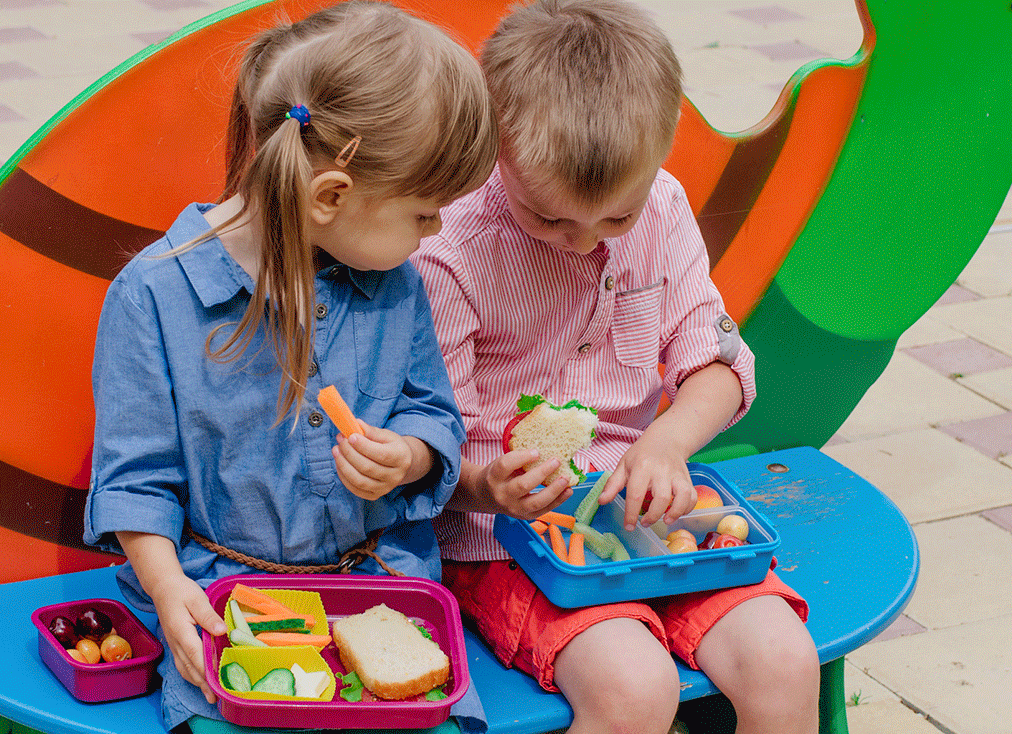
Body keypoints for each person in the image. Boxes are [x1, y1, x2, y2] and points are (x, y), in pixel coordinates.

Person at [83, 2, 499, 731]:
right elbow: (135, 481)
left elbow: (432, 412)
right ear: (332, 197)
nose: (438, 232)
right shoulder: (154, 296)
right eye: (426, 213)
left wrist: (406, 456)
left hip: (382, 584)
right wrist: (167, 583)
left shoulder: (395, 283)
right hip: (222, 593)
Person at [409, 1, 820, 732]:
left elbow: (719, 366)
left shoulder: (660, 207)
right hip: (503, 544)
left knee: (784, 660)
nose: (582, 241)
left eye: (613, 219)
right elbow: (430, 441)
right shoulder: (452, 248)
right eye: (549, 219)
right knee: (634, 689)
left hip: (651, 518)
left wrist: (666, 443)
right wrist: (487, 486)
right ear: (495, 144)